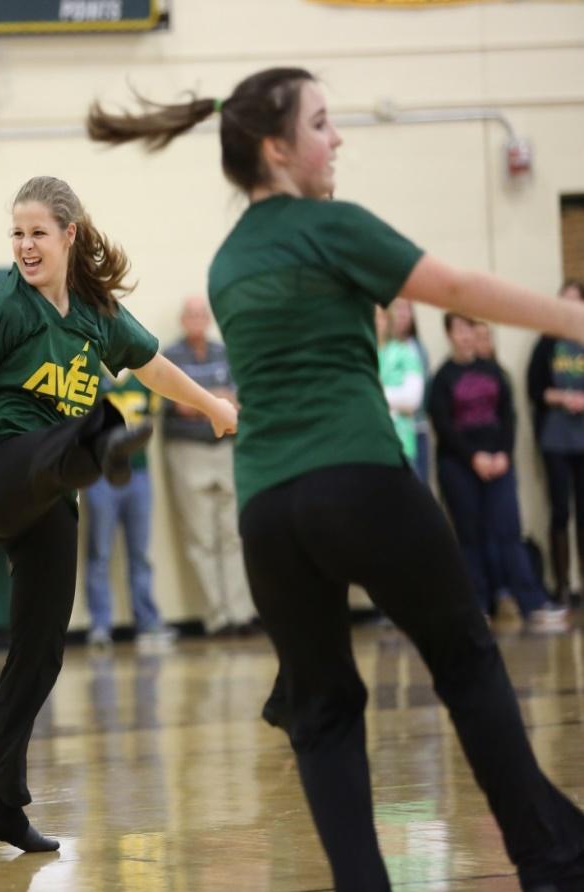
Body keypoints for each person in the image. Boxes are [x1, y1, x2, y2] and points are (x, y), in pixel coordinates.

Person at [88, 67, 584, 890]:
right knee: (465, 662)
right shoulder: (334, 227)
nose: (339, 138)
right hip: (358, 480)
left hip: (269, 514)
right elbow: (456, 290)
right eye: (324, 123)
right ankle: (551, 861)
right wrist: (573, 316)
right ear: (277, 150)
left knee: (321, 715)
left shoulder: (228, 262)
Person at [0, 175, 237, 853]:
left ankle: (0, 804)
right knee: (70, 439)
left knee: (42, 651)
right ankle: (102, 443)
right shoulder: (4, 308)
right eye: (17, 234)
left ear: (69, 235)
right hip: (0, 476)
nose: (26, 246)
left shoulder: (94, 313)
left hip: (54, 495)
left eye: (37, 233)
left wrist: (211, 405)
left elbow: (153, 367)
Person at [429, 312, 565, 628]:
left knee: (508, 532)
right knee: (469, 537)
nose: (465, 336)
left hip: (499, 461)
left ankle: (533, 602)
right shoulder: (442, 377)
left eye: (469, 329)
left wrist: (503, 453)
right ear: (449, 334)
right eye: (458, 329)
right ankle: (477, 605)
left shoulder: (492, 371)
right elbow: (443, 424)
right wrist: (473, 457)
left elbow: (508, 416)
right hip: (459, 466)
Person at [161, 295, 255, 636]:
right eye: (192, 315)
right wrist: (215, 400)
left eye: (203, 314)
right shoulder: (171, 356)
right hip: (188, 451)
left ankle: (240, 613)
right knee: (201, 536)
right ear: (183, 320)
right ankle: (217, 618)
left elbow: (237, 398)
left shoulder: (222, 352)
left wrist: (205, 399)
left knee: (232, 533)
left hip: (226, 449)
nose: (198, 320)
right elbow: (180, 404)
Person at [83, 368, 173, 651]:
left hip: (140, 474)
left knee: (140, 553)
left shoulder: (143, 375)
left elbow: (151, 418)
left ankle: (147, 621)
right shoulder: (90, 375)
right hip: (100, 475)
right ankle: (100, 625)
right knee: (99, 552)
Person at [526, 279, 584, 605]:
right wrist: (562, 396)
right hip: (556, 438)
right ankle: (562, 584)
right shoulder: (547, 343)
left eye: (576, 301)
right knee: (560, 510)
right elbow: (535, 389)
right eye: (565, 301)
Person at [375, 303, 424, 467]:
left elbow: (412, 399)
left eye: (381, 316)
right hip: (368, 446)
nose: (376, 321)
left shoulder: (405, 353)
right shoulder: (360, 355)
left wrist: (375, 393)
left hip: (401, 444)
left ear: (389, 319)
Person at [390, 298, 433, 483]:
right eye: (397, 308)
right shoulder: (380, 348)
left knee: (419, 486)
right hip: (391, 431)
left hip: (416, 428)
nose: (402, 314)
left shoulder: (417, 349)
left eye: (407, 309)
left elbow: (415, 398)